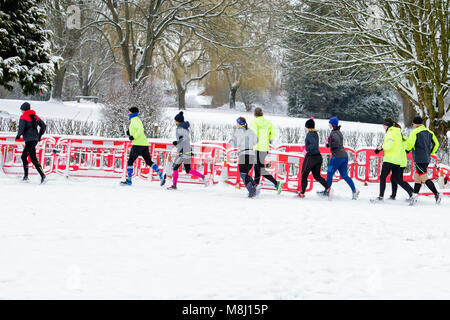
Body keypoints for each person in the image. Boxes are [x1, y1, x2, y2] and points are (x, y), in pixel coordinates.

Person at [120, 107, 166, 186]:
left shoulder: (134, 120)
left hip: (138, 144)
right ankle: (160, 175)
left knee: (130, 162)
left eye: (129, 112)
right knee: (148, 162)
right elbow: (137, 130)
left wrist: (133, 136)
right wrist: (129, 133)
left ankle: (129, 181)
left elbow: (140, 130)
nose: (128, 113)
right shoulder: (136, 120)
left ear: (133, 113)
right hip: (144, 144)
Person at [371, 117, 413, 202]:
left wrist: (381, 147)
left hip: (389, 159)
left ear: (388, 126)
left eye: (384, 125)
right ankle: (412, 193)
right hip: (397, 160)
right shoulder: (398, 133)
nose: (383, 127)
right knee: (397, 179)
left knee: (383, 177)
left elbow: (389, 145)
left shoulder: (390, 133)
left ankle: (381, 197)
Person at [167, 111, 208, 190]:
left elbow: (184, 138)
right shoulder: (184, 127)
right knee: (188, 170)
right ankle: (203, 177)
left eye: (175, 120)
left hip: (183, 152)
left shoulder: (180, 128)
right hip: (187, 151)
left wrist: (177, 142)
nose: (174, 121)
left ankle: (174, 185)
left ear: (178, 121)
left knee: (175, 168)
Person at [406, 116, 441, 205]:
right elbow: (436, 144)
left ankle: (437, 194)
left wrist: (406, 150)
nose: (413, 125)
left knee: (424, 178)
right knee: (417, 178)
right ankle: (414, 197)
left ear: (416, 124)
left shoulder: (414, 132)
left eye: (413, 123)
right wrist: (430, 152)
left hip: (418, 158)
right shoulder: (430, 132)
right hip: (426, 158)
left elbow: (410, 144)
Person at [249, 107, 282, 195]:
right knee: (257, 168)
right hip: (265, 148)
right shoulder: (268, 123)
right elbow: (274, 134)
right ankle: (255, 186)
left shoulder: (254, 122)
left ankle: (276, 183)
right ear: (262, 114)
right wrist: (267, 138)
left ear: (254, 115)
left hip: (258, 148)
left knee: (260, 169)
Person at [325, 117, 359, 200]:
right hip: (344, 156)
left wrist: (329, 144)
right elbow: (338, 142)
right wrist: (330, 141)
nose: (328, 124)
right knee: (344, 175)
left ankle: (326, 192)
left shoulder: (333, 133)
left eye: (329, 123)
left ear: (332, 124)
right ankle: (354, 191)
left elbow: (336, 143)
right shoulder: (338, 132)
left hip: (337, 156)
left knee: (329, 174)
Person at [15, 102, 47, 183]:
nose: (21, 111)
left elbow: (21, 128)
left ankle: (42, 175)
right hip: (34, 140)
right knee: (27, 157)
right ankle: (26, 176)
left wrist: (18, 136)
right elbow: (43, 126)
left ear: (23, 109)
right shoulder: (35, 116)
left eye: (21, 109)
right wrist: (39, 136)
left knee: (31, 158)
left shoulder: (23, 116)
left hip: (29, 140)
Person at [299, 117, 330, 198]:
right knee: (317, 176)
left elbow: (313, 145)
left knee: (304, 174)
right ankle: (327, 188)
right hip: (318, 157)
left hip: (311, 157)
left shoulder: (310, 134)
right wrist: (306, 146)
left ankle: (302, 192)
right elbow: (314, 144)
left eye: (306, 127)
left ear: (308, 127)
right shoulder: (315, 134)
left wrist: (307, 149)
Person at [228, 117, 258, 197]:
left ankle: (252, 190)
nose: (236, 124)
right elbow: (256, 141)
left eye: (237, 123)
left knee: (243, 174)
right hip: (251, 154)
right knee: (245, 174)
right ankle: (254, 185)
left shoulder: (238, 132)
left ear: (239, 123)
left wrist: (230, 140)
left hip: (244, 154)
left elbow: (234, 144)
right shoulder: (251, 131)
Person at [389, 123, 408, 200]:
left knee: (397, 179)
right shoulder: (405, 138)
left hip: (397, 162)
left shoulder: (396, 138)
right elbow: (407, 149)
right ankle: (393, 195)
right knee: (394, 179)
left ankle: (412, 192)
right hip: (402, 162)